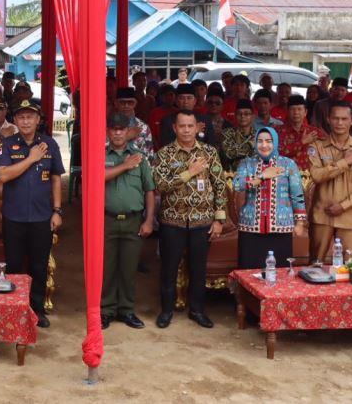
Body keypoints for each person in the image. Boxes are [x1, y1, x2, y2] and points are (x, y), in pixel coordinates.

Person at [152, 109, 227, 329]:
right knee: (169, 268)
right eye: (182, 126)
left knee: (198, 269)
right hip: (172, 221)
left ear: (197, 128)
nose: (186, 130)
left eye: (190, 126)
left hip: (202, 222)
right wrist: (190, 172)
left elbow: (220, 186)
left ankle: (197, 310)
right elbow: (161, 185)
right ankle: (166, 311)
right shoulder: (164, 154)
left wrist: (219, 220)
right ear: (174, 128)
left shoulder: (209, 152)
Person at [0, 101, 64, 328]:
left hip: (42, 216)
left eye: (30, 117)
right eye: (21, 117)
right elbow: (4, 175)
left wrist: (57, 210)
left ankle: (37, 309)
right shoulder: (6, 144)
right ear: (15, 121)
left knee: (39, 265)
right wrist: (31, 158)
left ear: (38, 120)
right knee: (14, 265)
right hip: (14, 216)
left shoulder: (50, 144)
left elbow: (56, 178)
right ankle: (16, 308)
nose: (25, 121)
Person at [103, 112, 155, 330]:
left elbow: (149, 191)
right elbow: (95, 178)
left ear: (128, 132)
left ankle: (126, 310)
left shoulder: (139, 157)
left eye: (121, 129)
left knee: (128, 268)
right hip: (107, 221)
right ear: (108, 131)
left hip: (134, 220)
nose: (117, 132)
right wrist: (124, 166)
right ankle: (105, 311)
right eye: (113, 129)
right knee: (106, 269)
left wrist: (149, 220)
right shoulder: (100, 154)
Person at [307, 102, 352, 262]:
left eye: (344, 119)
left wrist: (343, 206)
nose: (339, 123)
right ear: (328, 119)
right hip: (321, 215)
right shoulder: (316, 147)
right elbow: (316, 175)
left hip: (350, 216)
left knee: (349, 265)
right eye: (335, 118)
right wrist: (346, 161)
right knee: (316, 264)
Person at [232, 128, 307, 270]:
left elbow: (297, 194)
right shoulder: (247, 163)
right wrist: (262, 176)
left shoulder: (288, 164)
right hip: (250, 228)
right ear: (254, 143)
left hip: (281, 227)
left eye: (268, 141)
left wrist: (300, 223)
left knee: (279, 272)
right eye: (259, 141)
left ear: (275, 142)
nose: (264, 145)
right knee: (249, 271)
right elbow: (236, 185)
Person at [277, 95, 327, 171]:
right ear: (287, 111)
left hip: (312, 177)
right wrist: (302, 142)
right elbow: (278, 153)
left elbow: (327, 151)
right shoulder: (278, 131)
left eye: (299, 109)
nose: (296, 112)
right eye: (292, 109)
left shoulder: (315, 132)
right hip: (286, 176)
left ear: (305, 112)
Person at [111, 87, 156, 163]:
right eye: (122, 102)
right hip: (114, 168)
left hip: (138, 170)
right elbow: (102, 149)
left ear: (135, 104)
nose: (126, 106)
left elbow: (149, 154)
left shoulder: (143, 127)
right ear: (116, 103)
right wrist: (127, 137)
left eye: (130, 102)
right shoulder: (108, 125)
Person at [220, 100, 256, 171]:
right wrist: (250, 145)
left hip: (254, 175)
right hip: (231, 176)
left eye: (246, 114)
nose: (242, 116)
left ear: (252, 116)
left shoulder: (258, 135)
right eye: (239, 114)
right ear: (235, 116)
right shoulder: (227, 133)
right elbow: (228, 154)